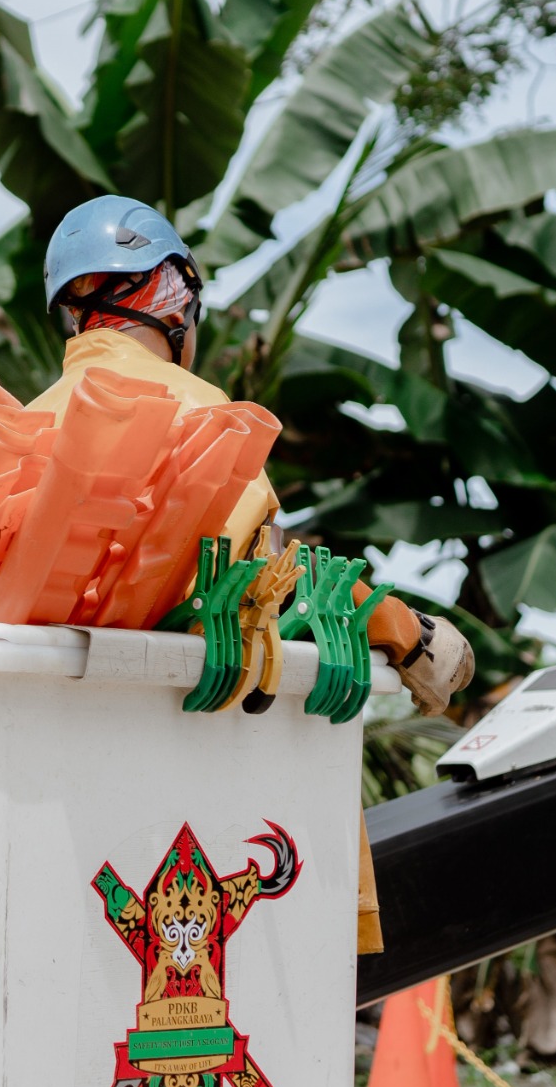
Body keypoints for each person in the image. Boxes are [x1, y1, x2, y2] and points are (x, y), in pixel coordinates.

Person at [37, 195, 474, 717]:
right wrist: (407, 632)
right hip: (178, 713)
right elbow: (262, 569)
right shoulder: (201, 411)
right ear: (175, 303)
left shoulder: (27, 419)